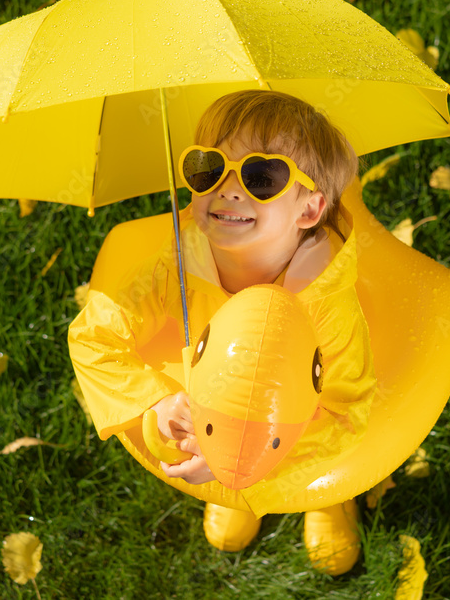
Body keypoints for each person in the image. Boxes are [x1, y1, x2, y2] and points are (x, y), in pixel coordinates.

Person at [68, 90, 375, 575]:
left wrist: (245, 462)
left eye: (261, 177)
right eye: (208, 168)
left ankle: (329, 499)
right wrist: (152, 400)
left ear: (309, 212)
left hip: (297, 424)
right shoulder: (178, 268)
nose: (228, 190)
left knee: (320, 462)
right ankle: (236, 487)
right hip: (220, 401)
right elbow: (92, 337)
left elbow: (345, 412)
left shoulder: (325, 304)